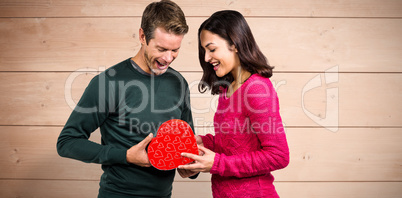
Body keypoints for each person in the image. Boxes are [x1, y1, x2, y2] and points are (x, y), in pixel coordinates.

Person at [57, 1, 198, 197]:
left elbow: (186, 144)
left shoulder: (178, 83)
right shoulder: (108, 83)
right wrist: (125, 156)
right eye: (161, 48)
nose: (168, 58)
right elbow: (67, 142)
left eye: (175, 50)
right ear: (142, 36)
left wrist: (192, 168)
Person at [178, 10, 290, 198]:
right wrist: (202, 142)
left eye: (212, 49)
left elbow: (278, 156)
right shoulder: (228, 89)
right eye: (204, 51)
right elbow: (234, 143)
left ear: (235, 44)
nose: (206, 58)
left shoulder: (257, 89)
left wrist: (217, 163)